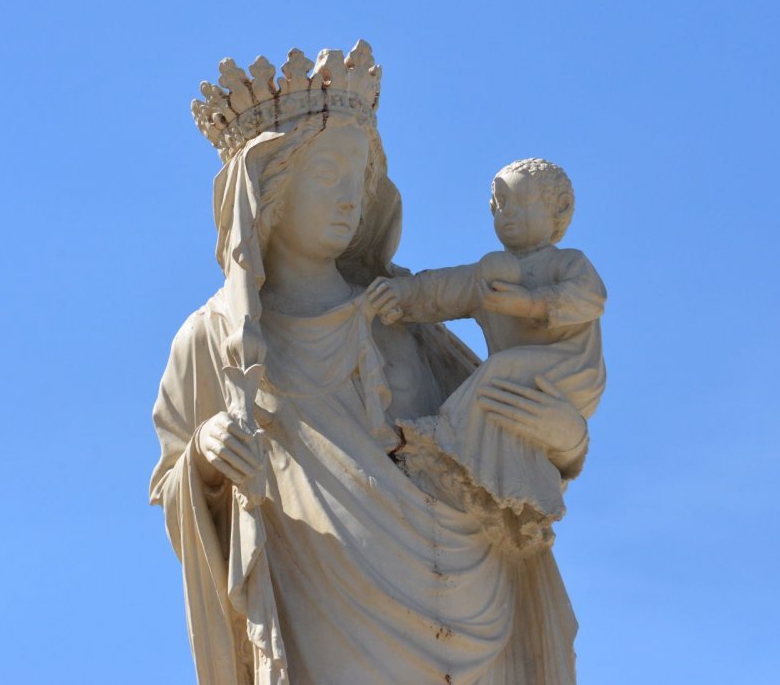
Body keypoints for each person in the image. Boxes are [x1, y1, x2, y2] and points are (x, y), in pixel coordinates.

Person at [150, 43, 590, 685]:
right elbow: (173, 482)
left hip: (467, 588)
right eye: (326, 176)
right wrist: (205, 460)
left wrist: (567, 439)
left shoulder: (399, 312)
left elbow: (501, 440)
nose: (348, 198)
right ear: (269, 186)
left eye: (358, 178)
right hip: (323, 597)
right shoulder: (216, 336)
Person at [367, 158, 606, 533]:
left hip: (570, 370)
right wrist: (401, 294)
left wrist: (529, 303)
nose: (507, 215)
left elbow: (589, 299)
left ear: (558, 209)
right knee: (499, 387)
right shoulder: (491, 272)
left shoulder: (567, 263)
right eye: (500, 205)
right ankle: (496, 480)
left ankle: (445, 443)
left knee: (497, 371)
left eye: (521, 203)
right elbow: (442, 290)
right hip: (516, 374)